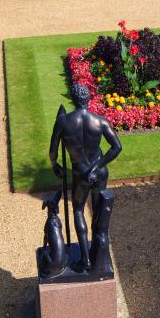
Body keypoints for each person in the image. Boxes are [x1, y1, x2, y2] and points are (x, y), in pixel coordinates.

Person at [49, 84, 122, 271]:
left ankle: (86, 258)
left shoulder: (63, 122)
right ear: (88, 99)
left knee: (79, 211)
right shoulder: (100, 121)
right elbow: (117, 148)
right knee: (99, 211)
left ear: (72, 99)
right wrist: (97, 166)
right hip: (99, 172)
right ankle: (98, 253)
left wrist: (55, 166)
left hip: (80, 173)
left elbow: (53, 152)